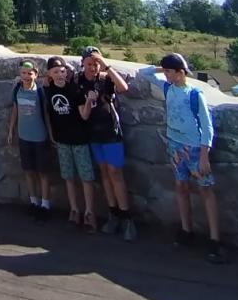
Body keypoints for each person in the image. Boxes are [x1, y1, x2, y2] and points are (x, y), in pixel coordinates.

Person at [141, 53, 226, 264]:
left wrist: (204, 155)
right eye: (165, 71)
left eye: (169, 71)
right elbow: (144, 73)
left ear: (180, 72)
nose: (166, 75)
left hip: (195, 148)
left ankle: (215, 239)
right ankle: (186, 230)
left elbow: (206, 126)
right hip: (175, 145)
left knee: (205, 189)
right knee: (181, 186)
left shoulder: (195, 94)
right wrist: (164, 67)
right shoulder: (168, 88)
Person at [76, 47, 137, 242]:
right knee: (104, 173)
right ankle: (113, 213)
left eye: (96, 64)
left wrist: (105, 65)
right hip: (93, 134)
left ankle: (127, 218)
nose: (93, 67)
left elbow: (123, 88)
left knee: (115, 173)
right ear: (82, 64)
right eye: (89, 63)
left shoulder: (105, 78)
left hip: (111, 132)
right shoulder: (79, 81)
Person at [44, 56, 97, 232]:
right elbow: (49, 114)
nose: (60, 74)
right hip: (62, 140)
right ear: (49, 74)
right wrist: (52, 134)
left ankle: (89, 212)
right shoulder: (48, 90)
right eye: (56, 72)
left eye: (63, 71)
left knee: (86, 178)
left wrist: (88, 101)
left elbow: (84, 115)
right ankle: (74, 210)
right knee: (68, 177)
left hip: (79, 139)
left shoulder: (74, 89)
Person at [7, 61, 52, 219]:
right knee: (29, 171)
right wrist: (11, 130)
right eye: (23, 73)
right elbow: (15, 110)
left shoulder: (39, 92)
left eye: (29, 73)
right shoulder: (17, 90)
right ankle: (33, 202)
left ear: (36, 74)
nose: (26, 76)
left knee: (43, 172)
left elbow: (46, 114)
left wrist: (50, 134)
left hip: (39, 137)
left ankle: (45, 205)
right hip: (24, 136)